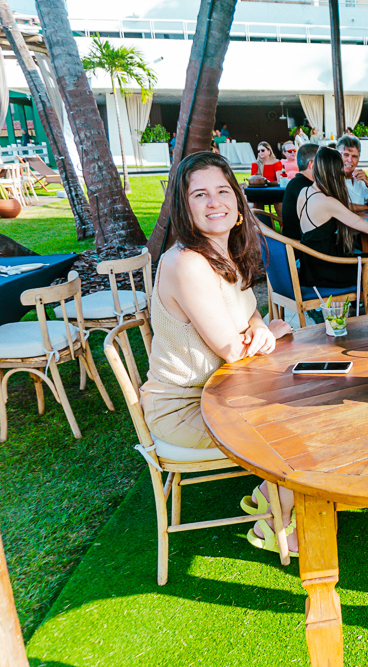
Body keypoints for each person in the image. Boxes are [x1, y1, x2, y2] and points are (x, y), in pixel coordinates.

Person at [138, 151, 295, 553]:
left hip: (223, 391)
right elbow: (232, 349)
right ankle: (270, 514)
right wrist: (265, 336)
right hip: (186, 406)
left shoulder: (223, 252)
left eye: (223, 191)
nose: (214, 203)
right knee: (295, 428)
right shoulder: (187, 262)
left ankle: (275, 495)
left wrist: (261, 328)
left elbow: (253, 316)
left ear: (239, 204)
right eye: (200, 195)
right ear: (184, 207)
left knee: (303, 400)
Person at [298, 147, 368, 313]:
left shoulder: (305, 192)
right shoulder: (326, 201)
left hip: (313, 264)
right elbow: (367, 229)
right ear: (334, 171)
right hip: (328, 268)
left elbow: (317, 229)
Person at [281, 142, 320, 242]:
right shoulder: (303, 187)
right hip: (300, 246)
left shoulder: (300, 182)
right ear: (311, 164)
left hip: (304, 240)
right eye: (322, 161)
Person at [337, 134, 368, 213]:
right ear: (337, 155)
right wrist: (367, 207)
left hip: (361, 223)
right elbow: (340, 206)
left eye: (354, 156)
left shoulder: (359, 177)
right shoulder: (331, 176)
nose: (350, 160)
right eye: (346, 155)